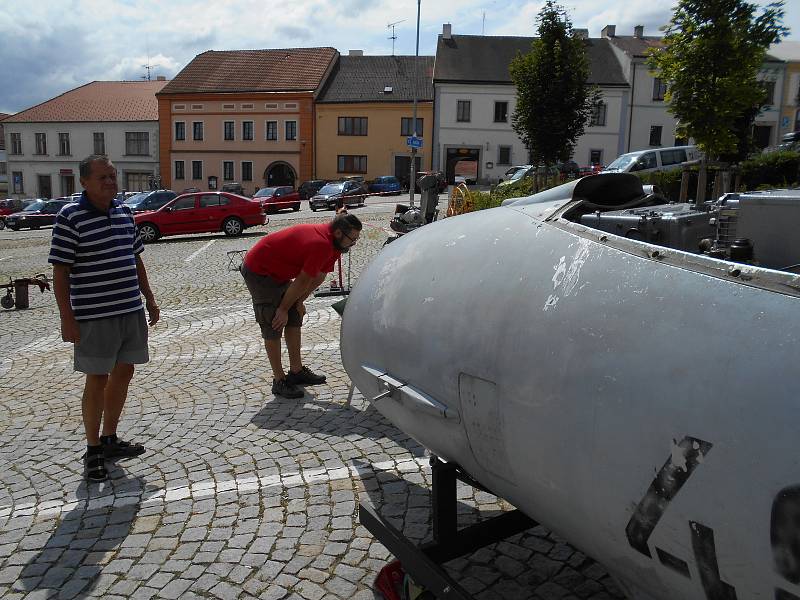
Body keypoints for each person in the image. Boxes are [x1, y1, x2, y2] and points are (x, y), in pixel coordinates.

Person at [49, 155, 160, 482]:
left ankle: (110, 437)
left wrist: (149, 299)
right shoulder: (70, 217)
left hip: (129, 309)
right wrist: (66, 318)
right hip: (94, 315)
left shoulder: (126, 212)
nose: (111, 182)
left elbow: (135, 260)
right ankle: (93, 448)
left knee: (125, 370)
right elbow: (60, 272)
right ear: (84, 182)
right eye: (103, 177)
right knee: (96, 378)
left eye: (113, 176)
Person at [241, 212, 362, 398]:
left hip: (278, 272)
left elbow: (319, 276)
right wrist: (282, 309)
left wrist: (298, 302)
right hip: (259, 271)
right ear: (338, 233)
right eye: (352, 239)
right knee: (273, 320)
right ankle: (279, 380)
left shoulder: (335, 245)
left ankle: (296, 372)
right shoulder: (321, 244)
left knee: (294, 315)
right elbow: (303, 279)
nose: (354, 243)